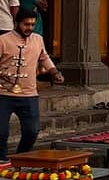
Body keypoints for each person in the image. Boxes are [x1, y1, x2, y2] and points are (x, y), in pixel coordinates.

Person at [0, 11, 65, 159]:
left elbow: (44, 57)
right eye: (26, 24)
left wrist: (55, 72)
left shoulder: (38, 39)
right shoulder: (3, 40)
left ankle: (20, 158)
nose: (29, 27)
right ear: (16, 23)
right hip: (3, 94)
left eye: (32, 24)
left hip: (29, 95)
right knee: (1, 133)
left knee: (32, 131)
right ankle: (2, 161)